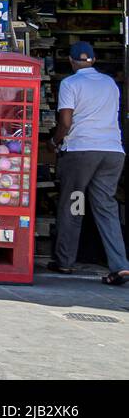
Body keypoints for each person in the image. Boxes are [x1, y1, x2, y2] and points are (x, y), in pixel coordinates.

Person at [48, 41, 129, 284]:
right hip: (113, 151)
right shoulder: (110, 83)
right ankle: (120, 265)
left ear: (72, 62)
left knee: (74, 203)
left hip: (82, 150)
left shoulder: (70, 83)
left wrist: (55, 141)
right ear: (93, 60)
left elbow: (66, 121)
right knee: (106, 207)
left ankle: (65, 261)